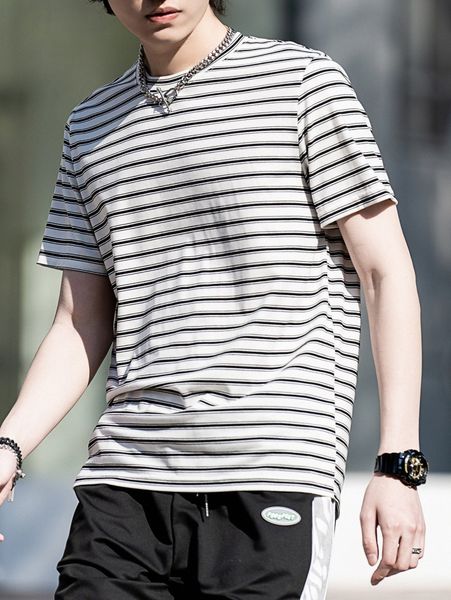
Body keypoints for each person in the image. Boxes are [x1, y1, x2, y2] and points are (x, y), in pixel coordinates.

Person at [0, 0, 428, 598]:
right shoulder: (90, 125)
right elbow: (79, 321)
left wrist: (397, 465)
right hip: (124, 481)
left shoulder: (304, 83)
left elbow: (386, 273)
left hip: (270, 473)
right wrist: (9, 445)